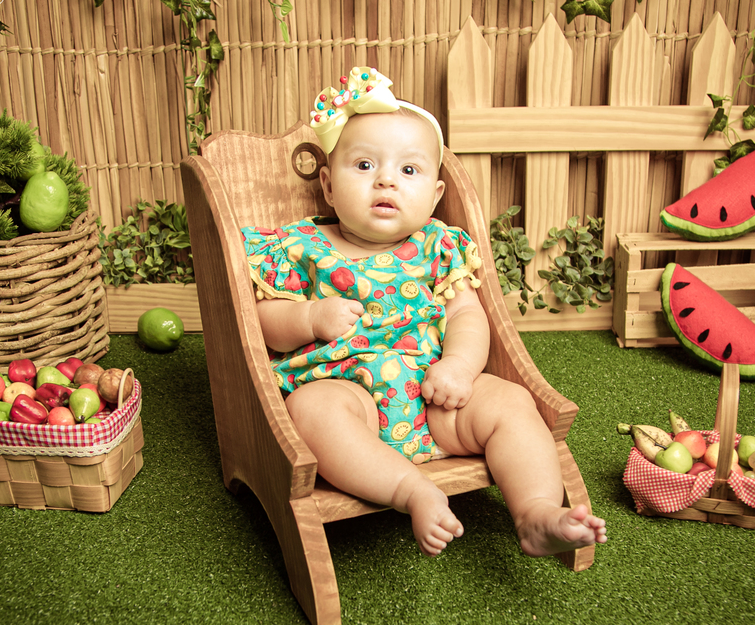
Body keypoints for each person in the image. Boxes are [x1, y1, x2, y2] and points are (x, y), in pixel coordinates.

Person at [241, 67, 607, 557]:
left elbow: (466, 318)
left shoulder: (438, 245)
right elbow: (262, 325)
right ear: (327, 185)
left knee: (510, 404)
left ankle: (537, 511)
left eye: (408, 171)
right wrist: (310, 318)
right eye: (365, 166)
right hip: (351, 400)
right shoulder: (299, 246)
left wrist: (458, 367)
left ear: (435, 196)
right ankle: (411, 490)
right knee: (310, 412)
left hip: (435, 399)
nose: (386, 180)